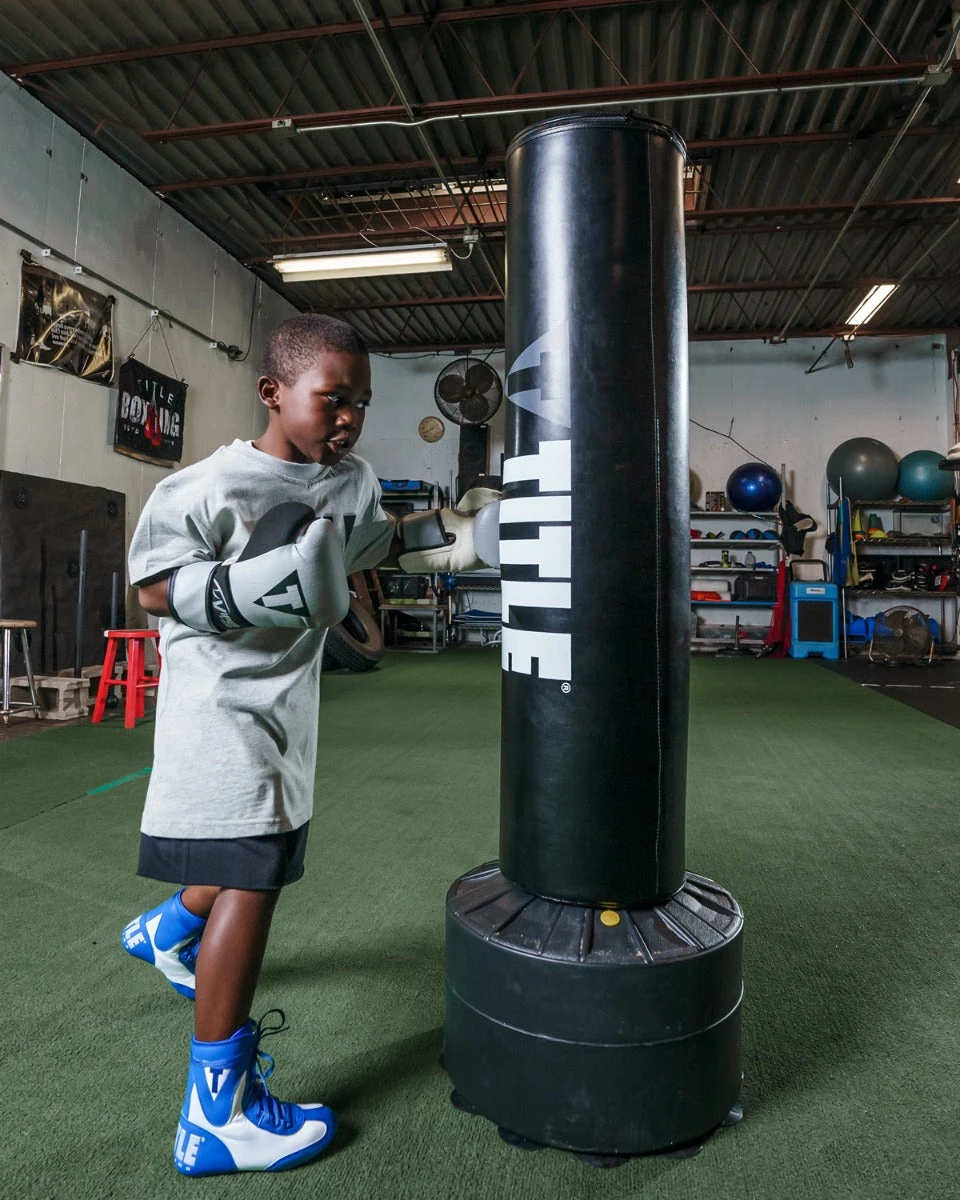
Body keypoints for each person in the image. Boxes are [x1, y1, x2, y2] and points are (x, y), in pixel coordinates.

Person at [119, 313, 490, 1177]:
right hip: (219, 706)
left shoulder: (352, 480)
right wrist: (248, 589)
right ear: (273, 392)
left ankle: (168, 932)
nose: (349, 417)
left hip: (288, 705)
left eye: (360, 401)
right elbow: (152, 588)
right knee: (254, 875)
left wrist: (457, 536)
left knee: (258, 844)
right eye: (332, 399)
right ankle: (217, 1115)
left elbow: (373, 544)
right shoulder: (206, 486)